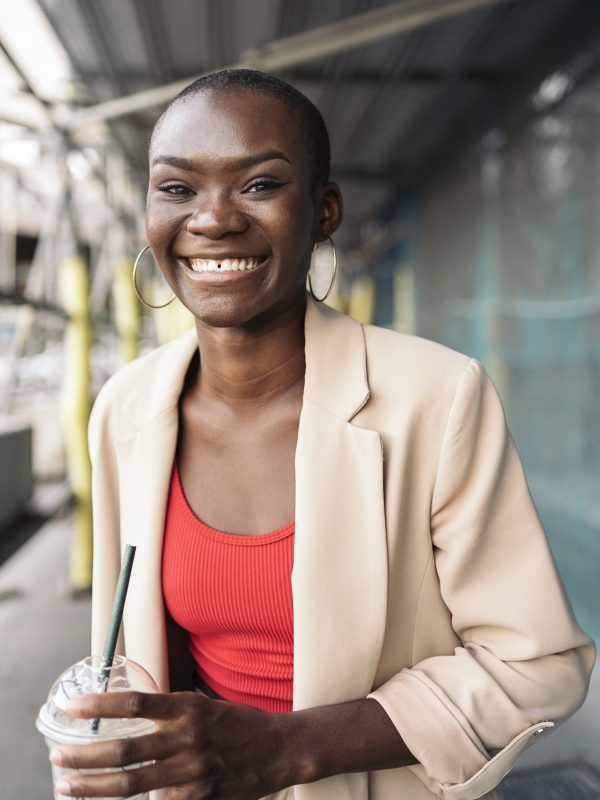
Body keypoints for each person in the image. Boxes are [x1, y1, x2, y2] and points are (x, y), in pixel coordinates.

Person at [50, 70, 594, 800]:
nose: (213, 219)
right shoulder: (125, 409)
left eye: (259, 185)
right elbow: (131, 657)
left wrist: (288, 748)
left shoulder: (435, 397)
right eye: (177, 188)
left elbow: (538, 665)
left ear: (324, 211)